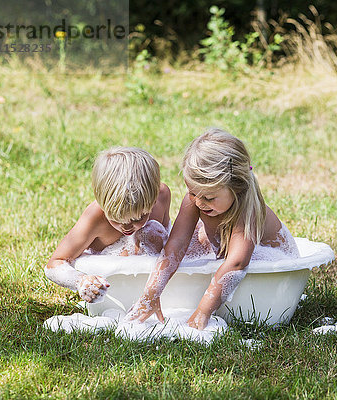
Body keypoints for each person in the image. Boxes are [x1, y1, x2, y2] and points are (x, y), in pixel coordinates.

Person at [126, 128, 299, 329]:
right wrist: (151, 294)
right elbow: (176, 244)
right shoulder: (198, 200)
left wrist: (202, 312)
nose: (199, 203)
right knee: (165, 239)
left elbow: (237, 263)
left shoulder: (248, 209)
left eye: (209, 198)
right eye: (192, 193)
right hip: (223, 252)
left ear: (237, 188)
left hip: (271, 272)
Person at [44, 147, 171, 304]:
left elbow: (167, 241)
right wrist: (81, 281)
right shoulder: (95, 217)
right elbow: (54, 263)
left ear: (153, 200)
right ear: (102, 203)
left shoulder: (162, 196)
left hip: (152, 282)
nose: (127, 227)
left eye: (139, 217)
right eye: (116, 218)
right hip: (116, 291)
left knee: (152, 231)